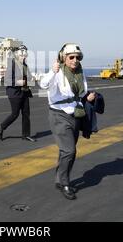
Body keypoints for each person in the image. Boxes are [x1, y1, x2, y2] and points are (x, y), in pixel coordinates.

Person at [40, 43, 96, 200]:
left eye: (78, 57)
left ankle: (59, 179)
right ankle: (64, 183)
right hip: (59, 116)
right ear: (63, 58)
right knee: (70, 151)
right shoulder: (57, 73)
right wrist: (52, 71)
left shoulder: (80, 73)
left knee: (65, 151)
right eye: (71, 57)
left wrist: (88, 97)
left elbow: (81, 93)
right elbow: (43, 84)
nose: (75, 60)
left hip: (76, 115)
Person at [0, 45, 36, 142]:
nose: (24, 56)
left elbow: (29, 77)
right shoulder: (12, 64)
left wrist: (31, 80)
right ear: (17, 54)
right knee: (15, 114)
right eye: (22, 54)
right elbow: (6, 80)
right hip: (14, 93)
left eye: (25, 54)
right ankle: (2, 127)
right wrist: (18, 82)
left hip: (24, 92)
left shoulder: (25, 66)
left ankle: (26, 135)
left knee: (26, 114)